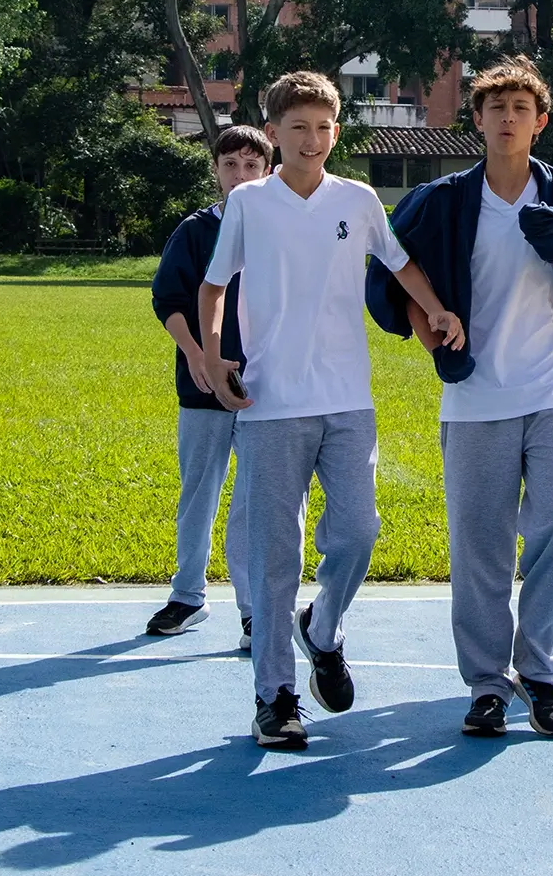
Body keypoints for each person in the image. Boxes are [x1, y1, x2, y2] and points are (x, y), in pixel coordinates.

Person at [199, 71, 465, 751]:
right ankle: (276, 698)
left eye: (323, 128)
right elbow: (213, 286)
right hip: (270, 405)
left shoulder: (360, 198)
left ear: (336, 132)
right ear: (274, 133)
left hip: (349, 401)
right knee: (274, 555)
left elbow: (401, 264)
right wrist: (211, 355)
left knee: (359, 530)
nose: (311, 140)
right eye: (297, 128)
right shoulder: (250, 205)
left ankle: (323, 626)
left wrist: (433, 307)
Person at [366, 56, 553, 741]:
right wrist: (434, 337)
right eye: (494, 107)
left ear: (541, 120)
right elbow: (390, 272)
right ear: (475, 119)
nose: (507, 119)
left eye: (520, 108)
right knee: (480, 549)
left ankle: (541, 671)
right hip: (476, 401)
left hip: (551, 394)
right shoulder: (444, 201)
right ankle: (485, 682)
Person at [144, 124, 270, 649]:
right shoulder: (196, 231)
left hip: (268, 388)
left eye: (250, 165)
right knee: (199, 492)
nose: (240, 175)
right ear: (215, 171)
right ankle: (188, 594)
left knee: (255, 502)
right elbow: (169, 299)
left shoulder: (281, 226)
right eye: (230, 165)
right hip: (202, 386)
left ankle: (253, 608)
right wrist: (199, 354)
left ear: (267, 169)